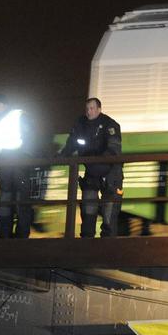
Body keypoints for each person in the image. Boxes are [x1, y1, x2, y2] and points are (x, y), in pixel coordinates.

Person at [59, 97, 123, 238]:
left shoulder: (110, 125)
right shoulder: (81, 124)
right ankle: (87, 241)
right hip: (92, 171)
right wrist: (62, 156)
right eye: (87, 108)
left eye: (92, 108)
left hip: (111, 172)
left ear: (99, 109)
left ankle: (108, 243)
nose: (89, 111)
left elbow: (114, 150)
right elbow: (72, 143)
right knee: (88, 205)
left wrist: (100, 161)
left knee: (109, 210)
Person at [0, 93, 38, 238]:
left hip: (18, 162)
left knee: (17, 200)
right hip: (5, 162)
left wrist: (26, 156)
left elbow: (30, 136)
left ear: (5, 105)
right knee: (7, 199)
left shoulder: (17, 116)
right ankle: (4, 234)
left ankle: (19, 235)